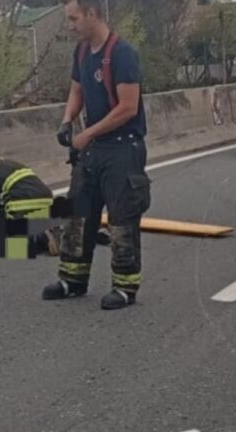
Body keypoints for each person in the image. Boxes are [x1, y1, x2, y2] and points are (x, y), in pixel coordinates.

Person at [42, 0, 151, 311]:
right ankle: (72, 279)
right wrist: (67, 121)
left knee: (122, 220)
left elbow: (128, 107)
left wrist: (87, 133)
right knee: (78, 214)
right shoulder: (81, 52)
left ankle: (125, 286)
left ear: (92, 14)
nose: (70, 25)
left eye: (74, 19)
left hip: (122, 149)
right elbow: (76, 91)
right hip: (94, 151)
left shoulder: (122, 54)